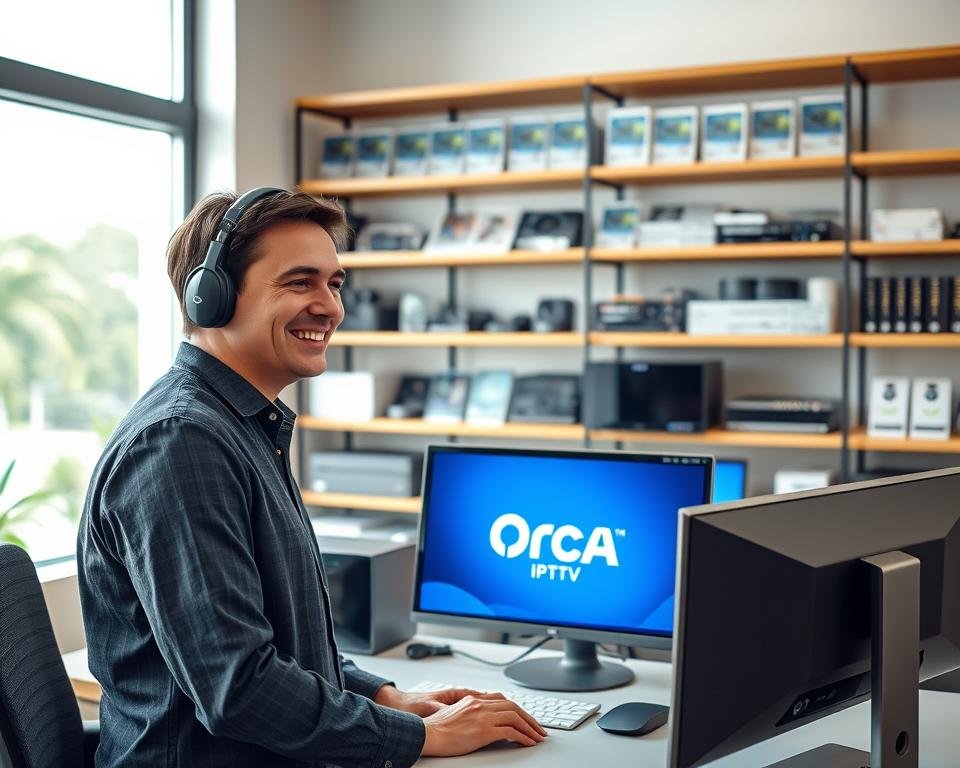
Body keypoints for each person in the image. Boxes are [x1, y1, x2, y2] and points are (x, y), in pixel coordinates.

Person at [77, 188, 546, 767]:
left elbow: (274, 638)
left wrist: (384, 695)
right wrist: (423, 738)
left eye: (334, 283)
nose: (330, 307)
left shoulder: (241, 426)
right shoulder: (181, 443)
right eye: (300, 283)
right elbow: (238, 688)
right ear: (211, 297)